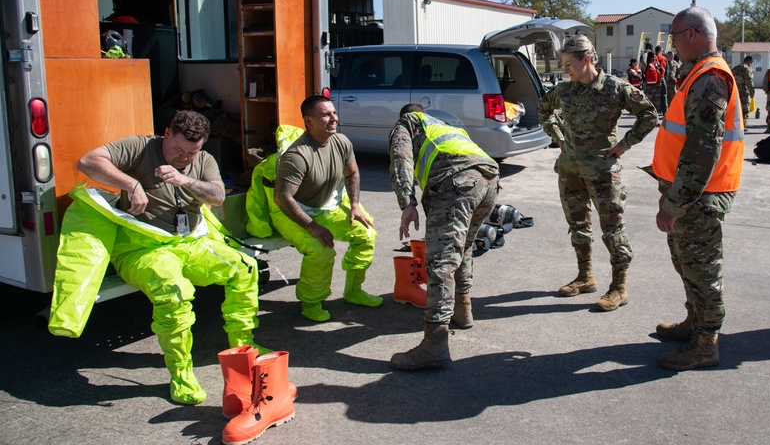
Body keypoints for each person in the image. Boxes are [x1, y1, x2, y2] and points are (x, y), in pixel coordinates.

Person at [76, 111, 261, 404]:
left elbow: (217, 197)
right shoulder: (140, 147)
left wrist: (185, 181)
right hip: (142, 246)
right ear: (166, 133)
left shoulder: (203, 160)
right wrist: (131, 184)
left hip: (189, 242)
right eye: (178, 150)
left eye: (192, 152)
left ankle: (243, 348)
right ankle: (181, 374)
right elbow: (87, 162)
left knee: (245, 267)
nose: (185, 157)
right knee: (174, 293)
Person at [650, 6, 744, 369]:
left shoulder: (709, 77)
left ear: (691, 34)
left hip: (700, 196)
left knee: (703, 271)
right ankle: (695, 323)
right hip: (690, 192)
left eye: (674, 37)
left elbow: (702, 151)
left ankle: (706, 344)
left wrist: (673, 203)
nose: (672, 45)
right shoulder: (698, 74)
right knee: (687, 264)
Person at [539, 34, 658, 311]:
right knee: (578, 225)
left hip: (603, 173)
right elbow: (544, 110)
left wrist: (623, 145)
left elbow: (649, 114)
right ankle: (585, 276)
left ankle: (619, 287)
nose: (564, 68)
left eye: (569, 63)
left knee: (613, 230)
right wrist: (558, 137)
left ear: (587, 59)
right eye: (563, 63)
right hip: (570, 169)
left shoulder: (615, 88)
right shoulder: (565, 90)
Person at [388, 104, 499, 369]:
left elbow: (400, 159)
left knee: (441, 262)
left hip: (455, 182)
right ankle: (462, 309)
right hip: (489, 180)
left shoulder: (408, 123)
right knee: (464, 248)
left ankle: (434, 344)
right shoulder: (444, 125)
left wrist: (407, 203)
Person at [273, 96, 379, 322]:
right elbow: (282, 199)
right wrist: (312, 227)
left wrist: (356, 206)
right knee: (321, 249)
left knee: (366, 234)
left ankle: (353, 291)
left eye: (333, 113)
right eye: (325, 115)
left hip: (324, 206)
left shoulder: (341, 142)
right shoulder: (297, 155)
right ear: (309, 121)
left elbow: (352, 173)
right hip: (291, 211)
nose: (333, 119)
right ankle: (311, 302)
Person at [732, 56, 755, 126]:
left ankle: (736, 125)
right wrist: (752, 93)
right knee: (745, 110)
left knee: (736, 110)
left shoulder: (735, 68)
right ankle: (743, 126)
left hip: (735, 92)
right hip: (744, 93)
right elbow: (749, 82)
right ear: (749, 62)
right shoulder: (746, 69)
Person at [643, 50, 662, 115]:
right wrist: (645, 53)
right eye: (653, 57)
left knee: (656, 105)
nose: (654, 58)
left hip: (656, 87)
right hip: (649, 88)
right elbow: (642, 60)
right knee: (648, 104)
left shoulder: (655, 65)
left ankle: (655, 119)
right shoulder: (647, 65)